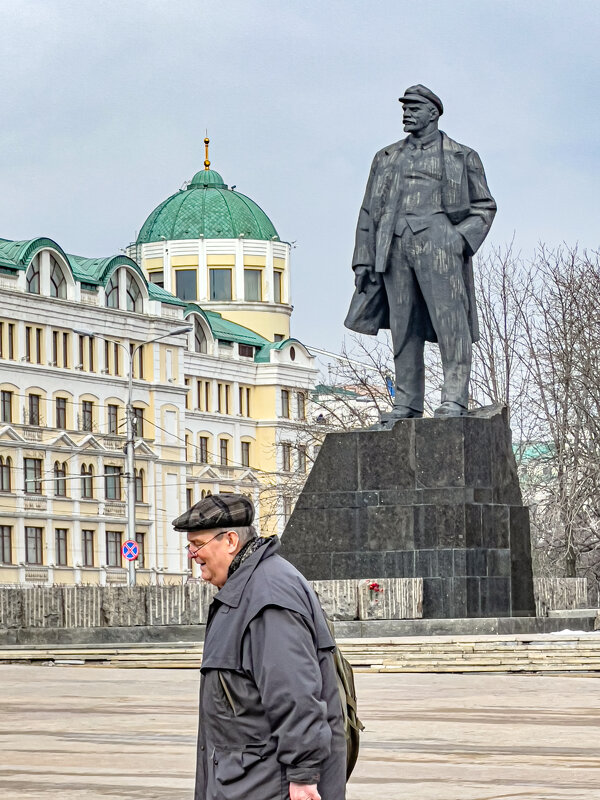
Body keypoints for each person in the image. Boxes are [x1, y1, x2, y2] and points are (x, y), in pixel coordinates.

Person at [173, 493, 346, 800]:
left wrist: (304, 776)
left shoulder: (268, 596)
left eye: (197, 544)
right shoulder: (247, 588)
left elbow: (295, 693)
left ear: (229, 541)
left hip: (267, 785)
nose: (191, 554)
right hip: (246, 780)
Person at [345, 84, 497, 419]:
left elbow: (484, 206)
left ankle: (454, 398)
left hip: (440, 243)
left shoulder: (462, 156)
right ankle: (406, 403)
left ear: (433, 113)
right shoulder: (385, 157)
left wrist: (458, 241)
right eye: (404, 108)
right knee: (403, 326)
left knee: (451, 324)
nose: (407, 113)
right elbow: (368, 210)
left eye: (414, 108)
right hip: (394, 246)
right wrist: (362, 259)